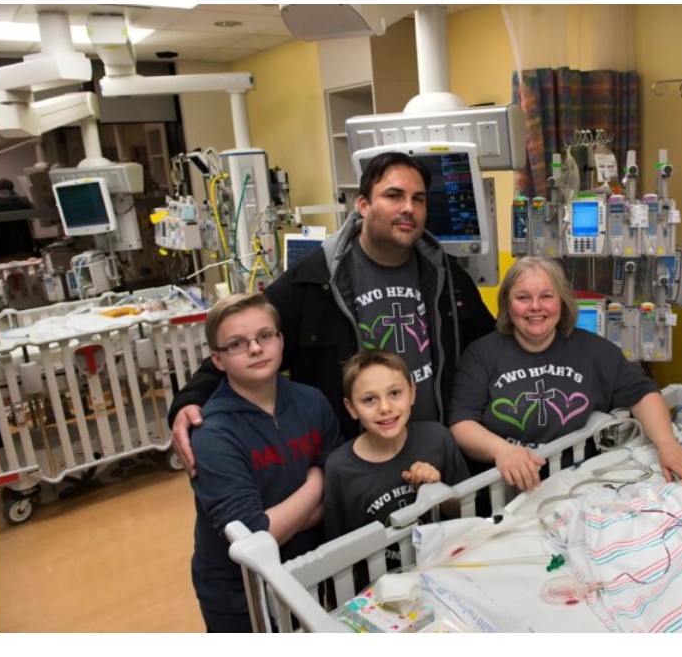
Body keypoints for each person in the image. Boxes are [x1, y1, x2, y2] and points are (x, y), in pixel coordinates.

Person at [169, 151, 496, 477]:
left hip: (437, 455)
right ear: (363, 205)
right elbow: (246, 343)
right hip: (354, 470)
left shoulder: (447, 278)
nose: (409, 208)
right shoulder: (313, 280)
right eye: (394, 196)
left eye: (418, 199)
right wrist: (191, 400)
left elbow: (490, 349)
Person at [449, 256, 682, 491]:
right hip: (502, 492)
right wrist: (502, 451)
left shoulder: (593, 350)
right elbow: (462, 422)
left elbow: (642, 393)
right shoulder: (482, 354)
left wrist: (667, 444)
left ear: (562, 301)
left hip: (577, 486)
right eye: (523, 298)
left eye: (546, 296)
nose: (535, 307)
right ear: (507, 303)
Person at [189, 292, 344, 632]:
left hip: (307, 571)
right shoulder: (213, 434)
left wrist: (283, 521)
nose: (256, 348)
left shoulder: (312, 401)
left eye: (265, 336)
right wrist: (315, 482)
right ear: (217, 359)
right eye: (237, 344)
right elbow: (255, 536)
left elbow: (339, 491)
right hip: (239, 593)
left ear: (281, 340)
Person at [323, 350, 470, 541]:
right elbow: (339, 546)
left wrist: (437, 490)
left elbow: (469, 512)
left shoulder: (437, 438)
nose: (385, 408)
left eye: (394, 393)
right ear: (351, 408)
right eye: (369, 399)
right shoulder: (339, 468)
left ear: (412, 393)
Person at [0, 178, 37, 263]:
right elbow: (34, 211)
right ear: (12, 188)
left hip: (2, 250)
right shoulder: (22, 201)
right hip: (24, 248)